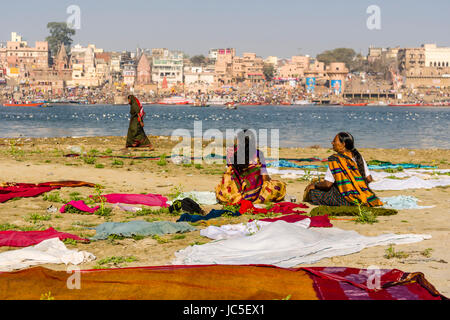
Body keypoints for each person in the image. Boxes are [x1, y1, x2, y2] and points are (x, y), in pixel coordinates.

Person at [304, 132, 383, 207]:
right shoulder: (358, 156)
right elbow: (369, 179)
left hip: (345, 197)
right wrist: (357, 186)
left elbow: (327, 184)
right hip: (364, 196)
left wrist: (314, 185)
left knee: (313, 193)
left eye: (334, 141)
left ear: (343, 144)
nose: (332, 143)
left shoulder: (335, 160)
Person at [216, 130, 286, 204]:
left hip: (231, 194)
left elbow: (230, 172)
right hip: (253, 195)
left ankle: (236, 196)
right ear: (252, 142)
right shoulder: (258, 154)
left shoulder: (230, 152)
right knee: (280, 186)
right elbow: (265, 178)